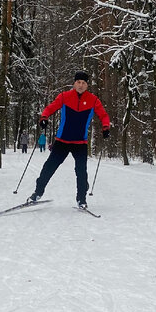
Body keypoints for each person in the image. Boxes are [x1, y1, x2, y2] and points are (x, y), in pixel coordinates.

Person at [29, 71, 110, 209]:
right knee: (49, 167)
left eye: (83, 83)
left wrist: (106, 127)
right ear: (74, 83)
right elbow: (50, 107)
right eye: (78, 82)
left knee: (81, 171)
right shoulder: (64, 96)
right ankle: (38, 192)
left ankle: (81, 199)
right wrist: (44, 117)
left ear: (87, 85)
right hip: (62, 141)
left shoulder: (93, 100)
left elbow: (103, 115)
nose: (81, 85)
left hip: (80, 142)